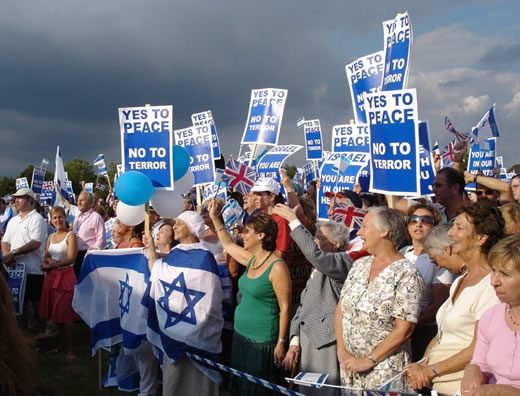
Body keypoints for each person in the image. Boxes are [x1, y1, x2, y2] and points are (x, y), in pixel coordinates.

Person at [406, 202, 503, 395]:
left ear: (481, 238)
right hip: (435, 386)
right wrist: (422, 366)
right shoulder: (460, 281)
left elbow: (477, 347)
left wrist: (431, 370)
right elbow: (441, 336)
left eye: (459, 228)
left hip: (460, 388)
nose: (450, 234)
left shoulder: (492, 286)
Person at [335, 207, 424, 392]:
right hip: (350, 370)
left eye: (365, 226)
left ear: (384, 232)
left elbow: (403, 330)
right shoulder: (360, 265)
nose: (359, 232)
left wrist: (368, 361)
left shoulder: (407, 274)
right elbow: (341, 308)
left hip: (383, 372)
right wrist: (342, 351)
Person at [208, 201, 291, 396]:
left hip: (262, 341)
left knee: (259, 388)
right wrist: (214, 218)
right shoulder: (251, 259)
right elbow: (227, 243)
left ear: (261, 235)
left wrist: (280, 342)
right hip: (241, 335)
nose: (242, 235)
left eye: (247, 232)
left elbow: (285, 307)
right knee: (241, 383)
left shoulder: (277, 267)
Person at [274, 204, 352, 395]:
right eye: (315, 235)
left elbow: (315, 255)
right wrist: (294, 342)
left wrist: (293, 221)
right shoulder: (317, 267)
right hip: (307, 342)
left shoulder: (342, 262)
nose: (314, 240)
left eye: (320, 237)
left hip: (326, 343)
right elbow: (303, 307)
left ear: (337, 244)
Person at [144, 210, 223, 395]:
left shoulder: (205, 257)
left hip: (198, 334)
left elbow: (208, 298)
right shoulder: (175, 253)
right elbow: (158, 273)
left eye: (180, 223)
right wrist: (149, 248)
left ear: (192, 228)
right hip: (172, 331)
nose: (175, 226)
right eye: (175, 222)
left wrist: (192, 330)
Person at [460, 235, 520, 395]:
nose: (494, 281)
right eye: (494, 271)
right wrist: (472, 370)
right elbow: (480, 363)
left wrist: (504, 391)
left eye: (505, 274)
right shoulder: (491, 316)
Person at [401, 203, 454, 361]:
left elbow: (438, 305)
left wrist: (409, 327)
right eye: (413, 220)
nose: (419, 224)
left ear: (434, 226)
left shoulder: (441, 258)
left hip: (423, 332)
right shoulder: (401, 253)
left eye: (425, 220)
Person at [1, 188, 47, 329]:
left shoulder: (37, 219)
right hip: (15, 269)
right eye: (15, 198)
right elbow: (5, 241)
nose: (15, 201)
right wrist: (7, 256)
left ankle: (41, 332)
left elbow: (35, 243)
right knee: (18, 303)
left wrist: (13, 253)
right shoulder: (13, 221)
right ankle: (23, 333)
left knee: (36, 302)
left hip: (33, 269)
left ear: (29, 199)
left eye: (19, 198)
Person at [39, 206, 79, 359]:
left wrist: (53, 264)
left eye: (60, 217)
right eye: (55, 218)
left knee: (65, 313)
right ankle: (62, 344)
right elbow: (46, 256)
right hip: (51, 277)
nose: (58, 220)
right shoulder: (50, 237)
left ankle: (70, 349)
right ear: (51, 220)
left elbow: (71, 258)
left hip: (65, 277)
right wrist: (49, 263)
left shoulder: (70, 236)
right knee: (55, 313)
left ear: (65, 218)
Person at [56, 189, 105, 276]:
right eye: (78, 200)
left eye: (81, 200)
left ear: (90, 202)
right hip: (75, 254)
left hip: (87, 255)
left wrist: (95, 250)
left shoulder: (96, 217)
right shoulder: (77, 215)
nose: (78, 203)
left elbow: (101, 238)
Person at [251, 177, 292, 260]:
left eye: (259, 194)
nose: (254, 198)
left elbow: (280, 254)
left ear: (272, 196)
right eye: (254, 194)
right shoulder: (257, 216)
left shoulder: (281, 220)